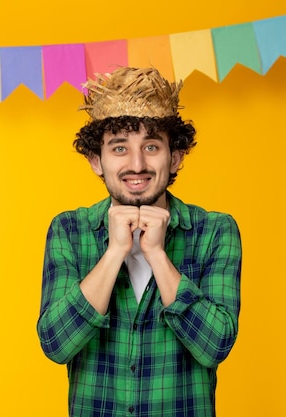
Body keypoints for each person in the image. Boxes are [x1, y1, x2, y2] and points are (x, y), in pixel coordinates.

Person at [36, 67, 242, 417]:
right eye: (119, 148)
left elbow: (215, 346)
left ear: (174, 157)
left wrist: (157, 256)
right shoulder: (69, 231)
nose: (137, 164)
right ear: (95, 161)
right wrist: (115, 252)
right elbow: (56, 344)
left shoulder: (215, 231)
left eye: (151, 146)